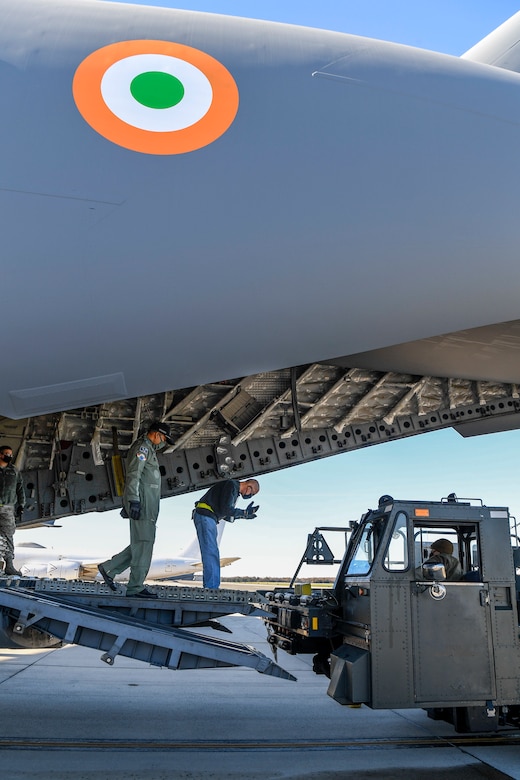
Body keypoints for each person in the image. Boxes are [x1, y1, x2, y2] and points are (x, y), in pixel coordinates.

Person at [98, 421, 173, 598]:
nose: (163, 442)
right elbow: (134, 474)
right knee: (144, 544)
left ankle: (109, 568)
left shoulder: (149, 449)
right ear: (155, 434)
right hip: (144, 503)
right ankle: (136, 588)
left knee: (140, 543)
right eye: (163, 438)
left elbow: (144, 474)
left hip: (149, 505)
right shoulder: (143, 449)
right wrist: (133, 500)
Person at [192, 478, 260, 589]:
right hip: (206, 515)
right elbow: (226, 510)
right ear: (249, 486)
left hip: (209, 517)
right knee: (211, 552)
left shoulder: (233, 491)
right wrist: (244, 513)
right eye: (251, 493)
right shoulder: (231, 485)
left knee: (211, 552)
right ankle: (211, 588)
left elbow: (228, 515)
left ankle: (211, 586)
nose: (249, 496)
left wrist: (244, 515)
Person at [0, 445, 25, 576]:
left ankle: (9, 565)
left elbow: (20, 488)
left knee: (8, 536)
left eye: (10, 454)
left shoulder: (14, 471)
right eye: (6, 454)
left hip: (7, 508)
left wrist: (21, 504)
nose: (9, 456)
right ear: (0, 454)